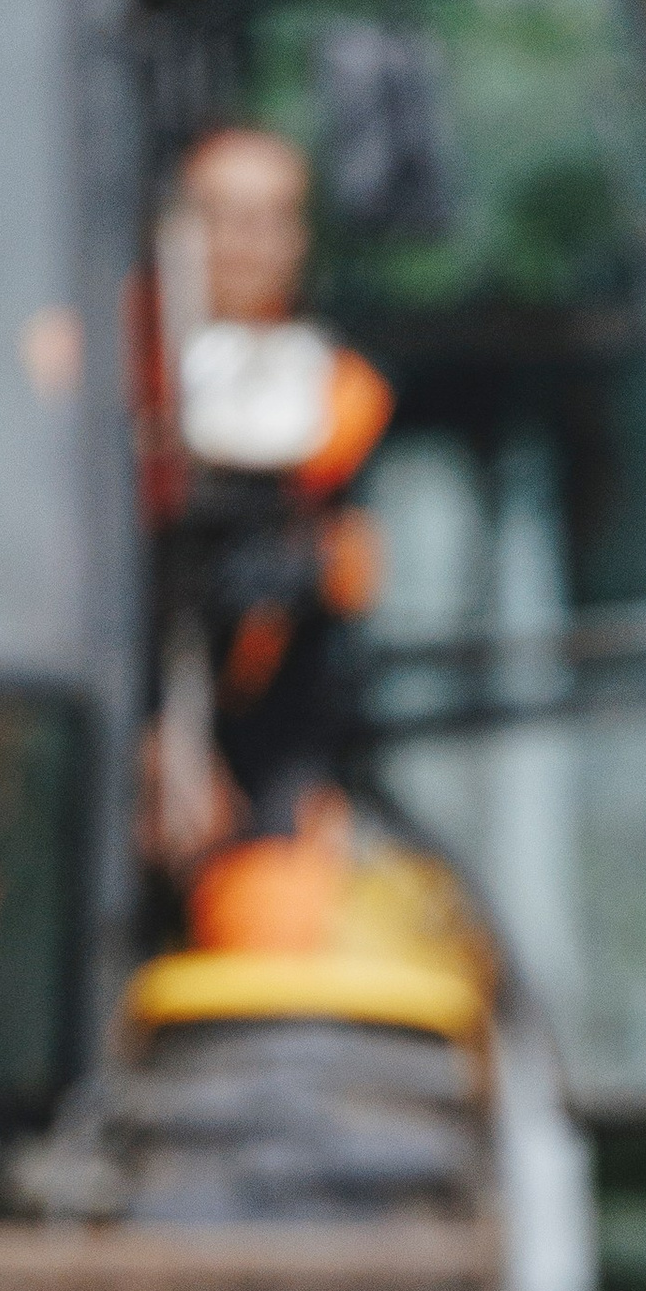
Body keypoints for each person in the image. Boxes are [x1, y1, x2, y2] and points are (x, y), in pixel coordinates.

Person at [139, 124, 392, 862]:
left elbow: (352, 574)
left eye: (270, 219)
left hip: (260, 775)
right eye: (218, 216)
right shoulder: (88, 379)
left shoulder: (340, 402)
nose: (244, 242)